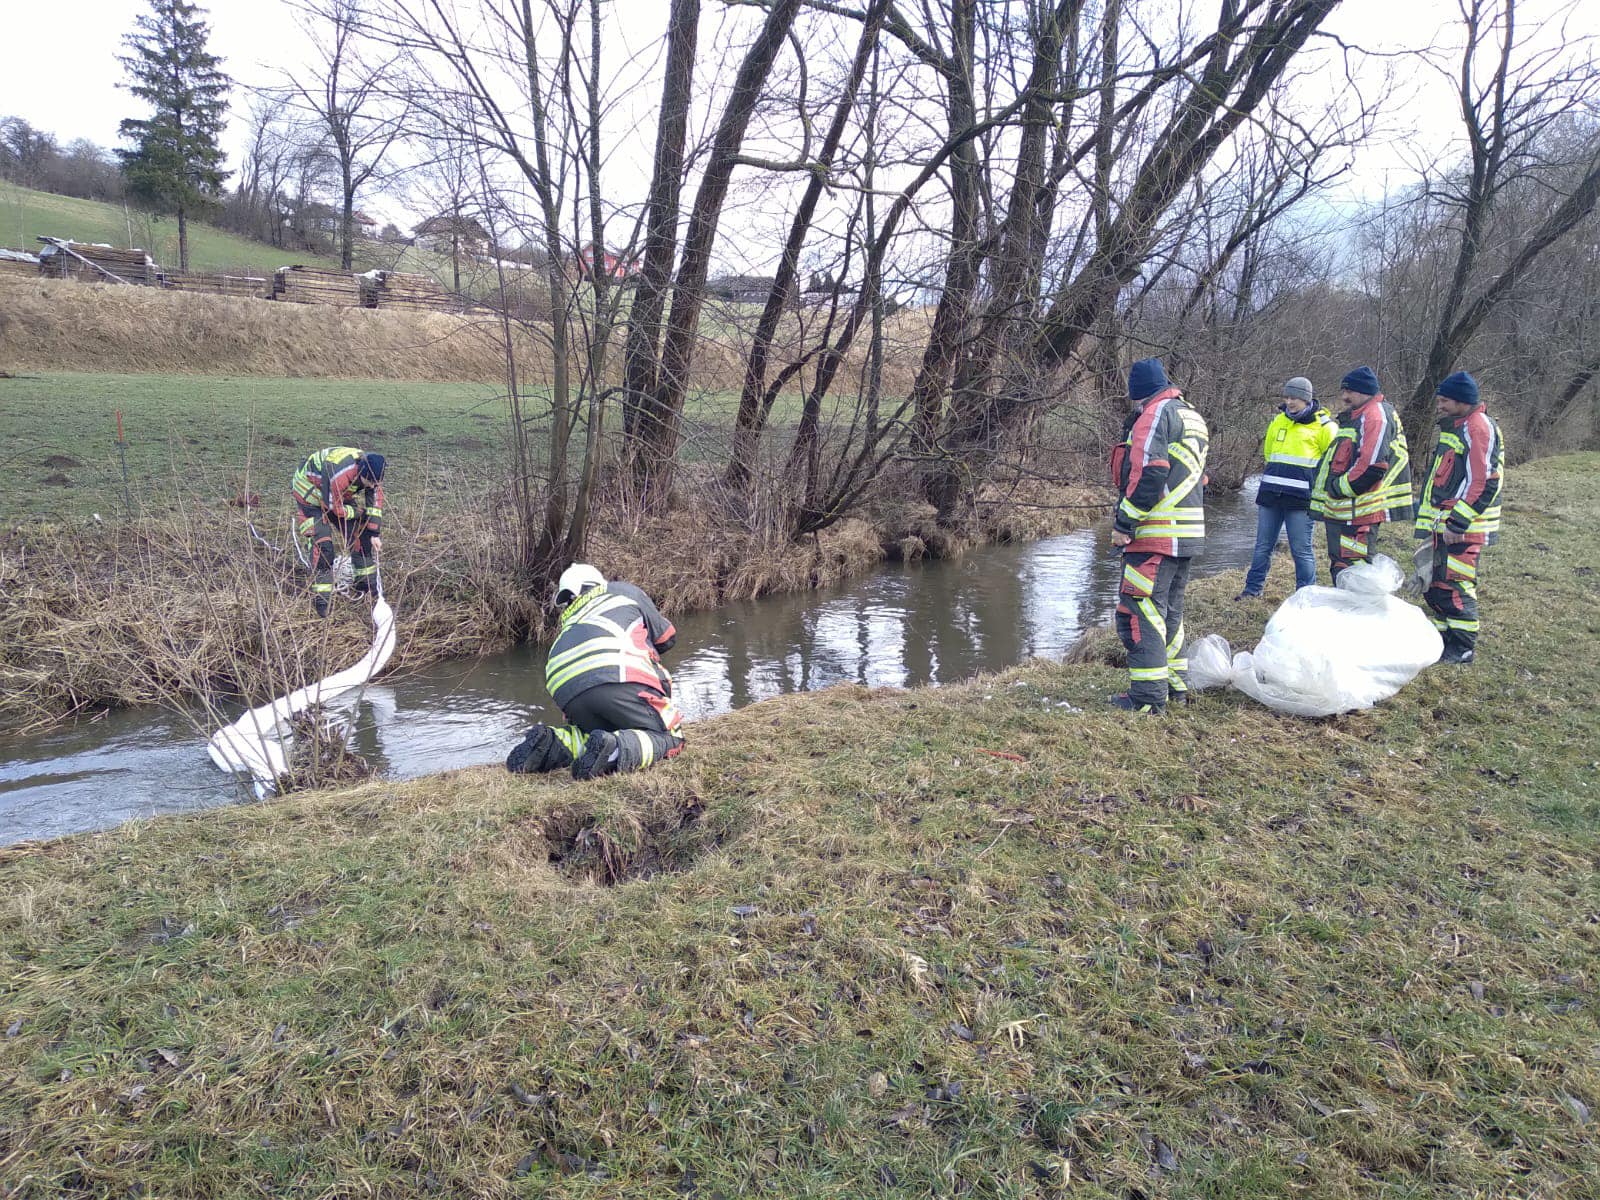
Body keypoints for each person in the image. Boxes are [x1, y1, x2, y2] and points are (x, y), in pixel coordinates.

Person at [505, 564, 686, 780]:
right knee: (670, 736)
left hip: (563, 685)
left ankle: (550, 743)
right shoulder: (623, 591)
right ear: (597, 583)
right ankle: (615, 751)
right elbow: (667, 638)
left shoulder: (568, 619)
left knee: (591, 736)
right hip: (615, 671)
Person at [1108, 357, 1209, 714]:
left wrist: (1124, 523)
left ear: (1138, 393)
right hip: (1187, 532)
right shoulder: (1191, 415)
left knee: (1139, 611)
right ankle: (1176, 687)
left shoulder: (1153, 415)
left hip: (1156, 533)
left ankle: (1148, 699)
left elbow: (1150, 472)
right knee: (1168, 613)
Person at [1414, 371, 1504, 664]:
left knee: (1456, 584)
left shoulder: (1478, 428)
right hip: (1445, 524)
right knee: (1437, 586)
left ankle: (1462, 647)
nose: (1438, 406)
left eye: (1444, 401)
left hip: (1463, 528)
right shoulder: (1458, 427)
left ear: (1462, 401)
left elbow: (1484, 481)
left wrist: (1457, 522)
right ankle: (1443, 642)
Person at [1236, 376, 1336, 599]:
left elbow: (1332, 464)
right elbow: (1269, 454)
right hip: (1271, 495)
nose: (1290, 402)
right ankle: (1252, 591)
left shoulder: (1325, 427)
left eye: (1295, 398)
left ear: (1307, 399)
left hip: (1302, 500)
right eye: (1287, 397)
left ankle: (1305, 596)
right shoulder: (1278, 421)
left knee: (1301, 550)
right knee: (1263, 546)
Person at [1309, 366, 1412, 582]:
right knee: (1344, 567)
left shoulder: (1375, 416)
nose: (1344, 397)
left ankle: (1359, 612)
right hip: (1348, 510)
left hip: (1358, 510)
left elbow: (1372, 466)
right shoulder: (1361, 415)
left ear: (1364, 391)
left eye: (1349, 391)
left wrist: (1338, 489)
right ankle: (1350, 610)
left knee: (1354, 570)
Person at [291, 446, 384, 617]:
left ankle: (366, 586)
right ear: (360, 472)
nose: (371, 485)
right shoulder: (340, 474)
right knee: (324, 547)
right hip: (309, 495)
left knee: (361, 536)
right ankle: (321, 602)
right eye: (368, 482)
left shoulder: (372, 472)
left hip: (336, 495)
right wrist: (358, 512)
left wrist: (373, 533)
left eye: (374, 482)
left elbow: (375, 504)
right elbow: (335, 508)